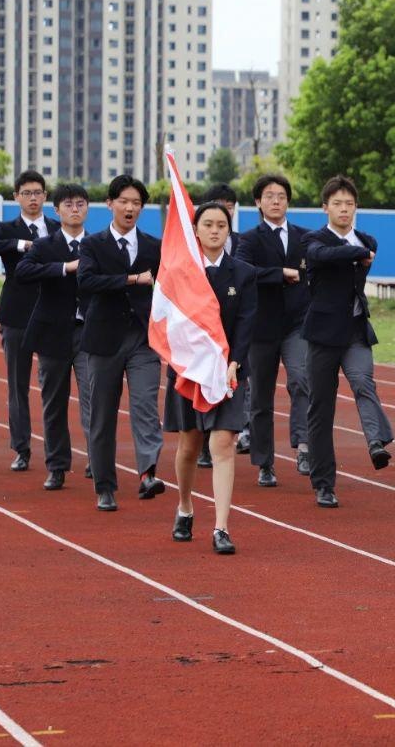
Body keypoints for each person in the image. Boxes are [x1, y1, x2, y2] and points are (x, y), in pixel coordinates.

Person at [164, 202, 257, 555]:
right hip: (189, 371)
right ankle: (185, 506)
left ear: (228, 231)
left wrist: (235, 361)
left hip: (228, 372)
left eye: (221, 225)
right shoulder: (180, 271)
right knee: (189, 444)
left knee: (222, 444)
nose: (215, 230)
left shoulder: (243, 272)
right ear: (196, 230)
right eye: (208, 224)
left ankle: (221, 527)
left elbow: (248, 322)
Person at [301, 175, 394, 508]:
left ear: (357, 207)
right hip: (323, 334)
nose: (344, 209)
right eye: (337, 203)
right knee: (321, 409)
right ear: (325, 207)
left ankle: (375, 443)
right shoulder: (313, 240)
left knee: (363, 382)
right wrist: (355, 252)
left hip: (355, 329)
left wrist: (359, 251)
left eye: (349, 203)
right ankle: (324, 483)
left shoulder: (367, 240)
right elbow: (321, 255)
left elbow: (365, 252)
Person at [77, 175, 164, 512]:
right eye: (124, 201)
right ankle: (105, 486)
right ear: (110, 204)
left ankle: (147, 473)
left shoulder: (153, 246)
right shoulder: (93, 244)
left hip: (143, 339)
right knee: (102, 416)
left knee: (145, 406)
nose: (130, 208)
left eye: (137, 203)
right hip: (104, 340)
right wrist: (132, 279)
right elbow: (87, 280)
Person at [0, 170, 60, 471]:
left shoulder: (57, 228)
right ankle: (22, 448)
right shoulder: (7, 229)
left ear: (46, 196)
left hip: (54, 314)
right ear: (16, 197)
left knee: (58, 386)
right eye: (27, 193)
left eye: (38, 192)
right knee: (18, 385)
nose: (33, 198)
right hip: (17, 315)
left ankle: (59, 451)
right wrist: (19, 245)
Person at [235, 174, 311, 487]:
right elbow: (243, 271)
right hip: (262, 328)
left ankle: (304, 445)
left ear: (288, 201)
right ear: (258, 202)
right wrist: (278, 274)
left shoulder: (305, 237)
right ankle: (265, 462)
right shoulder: (249, 240)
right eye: (269, 196)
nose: (275, 201)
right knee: (261, 398)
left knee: (301, 380)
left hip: (296, 325)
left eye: (281, 195)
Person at [16, 183, 92, 490]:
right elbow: (23, 272)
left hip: (90, 334)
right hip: (53, 335)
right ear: (56, 210)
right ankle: (57, 465)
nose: (75, 209)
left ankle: (97, 460)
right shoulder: (45, 246)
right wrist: (64, 268)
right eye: (69, 204)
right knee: (54, 403)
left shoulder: (97, 245)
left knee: (95, 400)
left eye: (81, 204)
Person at [195, 183, 244, 470]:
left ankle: (222, 442)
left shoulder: (240, 247)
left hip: (229, 336)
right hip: (198, 338)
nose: (216, 228)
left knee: (228, 393)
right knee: (200, 394)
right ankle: (202, 445)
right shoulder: (188, 259)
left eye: (229, 206)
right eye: (217, 205)